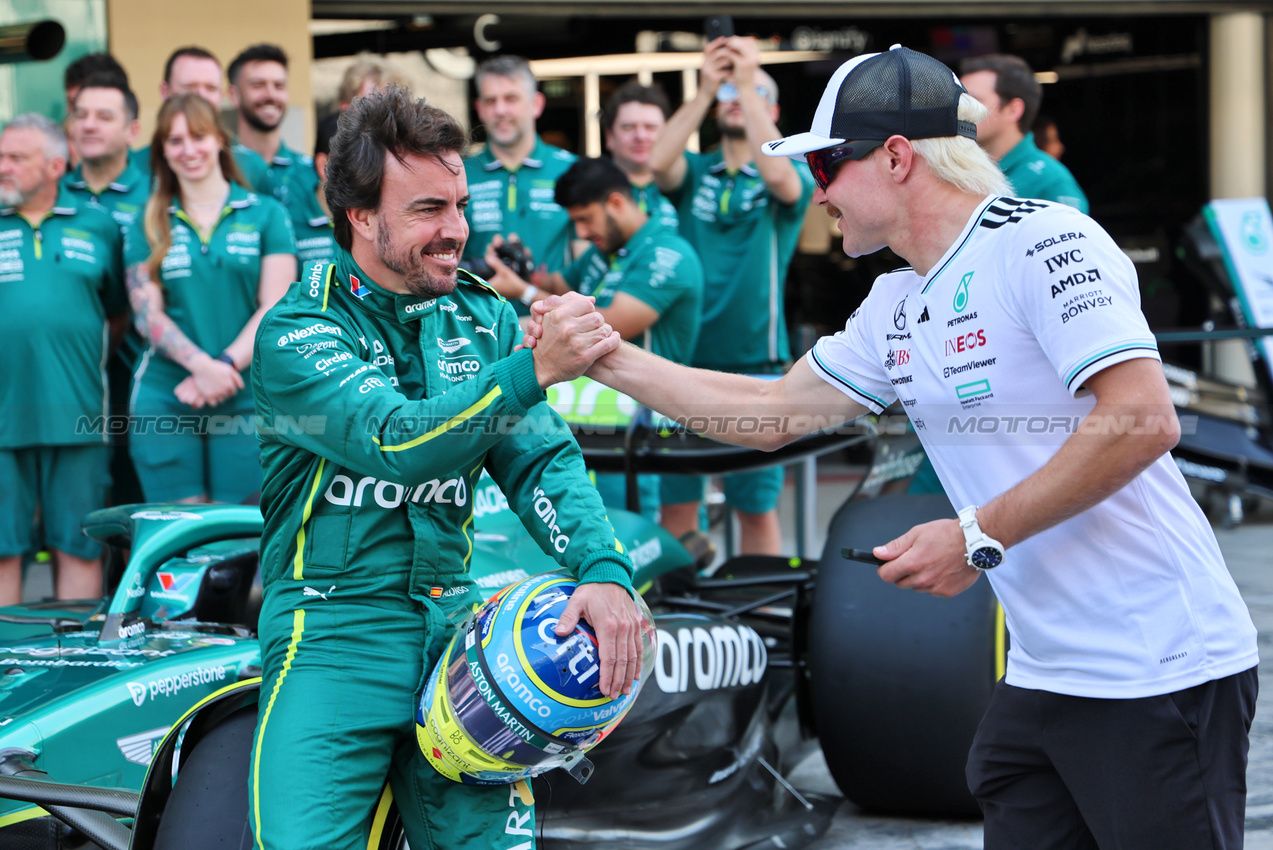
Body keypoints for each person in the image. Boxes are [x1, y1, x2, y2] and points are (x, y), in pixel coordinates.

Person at [533, 45, 1258, 849]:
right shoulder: (895, 297)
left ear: (897, 156)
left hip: (1158, 670)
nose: (817, 194)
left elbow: (1143, 419)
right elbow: (771, 413)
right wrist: (609, 355)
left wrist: (975, 536)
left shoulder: (1043, 240)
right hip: (1042, 675)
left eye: (826, 168)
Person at [248, 85, 643, 850]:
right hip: (330, 633)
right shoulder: (298, 329)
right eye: (428, 210)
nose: (455, 231)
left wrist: (601, 568)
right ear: (361, 217)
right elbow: (398, 442)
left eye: (459, 206)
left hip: (458, 644)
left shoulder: (481, 312)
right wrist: (533, 370)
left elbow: (540, 463)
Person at [649, 34, 815, 555]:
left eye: (749, 97)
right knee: (676, 505)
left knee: (755, 507)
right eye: (729, 99)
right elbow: (657, 164)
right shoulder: (696, 171)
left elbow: (782, 181)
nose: (735, 104)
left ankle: (759, 624)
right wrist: (703, 92)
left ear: (773, 109)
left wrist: (745, 82)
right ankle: (677, 621)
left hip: (757, 365)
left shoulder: (789, 172)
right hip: (684, 364)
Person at [484, 156, 703, 518]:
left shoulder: (669, 254)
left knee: (635, 536)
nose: (582, 233)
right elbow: (554, 285)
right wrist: (517, 265)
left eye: (585, 219)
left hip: (643, 423)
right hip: (595, 420)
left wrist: (522, 293)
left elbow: (606, 325)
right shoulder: (604, 252)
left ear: (616, 202)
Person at [124, 94, 296, 504]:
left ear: (219, 139)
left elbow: (274, 307)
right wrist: (200, 367)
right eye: (175, 141)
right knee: (181, 540)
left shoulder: (266, 214)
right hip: (168, 393)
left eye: (198, 137)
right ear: (162, 151)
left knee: (238, 540)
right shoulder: (147, 220)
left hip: (245, 392)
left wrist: (221, 367)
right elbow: (147, 315)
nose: (188, 150)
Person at [0, 114, 124, 605]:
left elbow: (115, 315)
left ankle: (74, 671)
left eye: (15, 158)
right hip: (2, 423)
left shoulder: (99, 225)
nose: (2, 167)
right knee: (2, 552)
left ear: (56, 165)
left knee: (79, 547)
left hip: (77, 419)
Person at [63, 74, 152, 505]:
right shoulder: (51, 193)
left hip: (141, 372)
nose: (89, 125)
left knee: (136, 500)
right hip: (71, 376)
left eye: (104, 116)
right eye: (81, 115)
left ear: (132, 130)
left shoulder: (156, 196)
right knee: (82, 511)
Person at [462, 55, 577, 311]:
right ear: (479, 108)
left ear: (536, 104)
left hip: (551, 326)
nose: (500, 110)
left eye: (511, 99)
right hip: (476, 329)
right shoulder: (458, 172)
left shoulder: (572, 170)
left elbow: (589, 268)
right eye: (491, 101)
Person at [130, 47, 273, 195]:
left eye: (211, 88)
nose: (201, 97)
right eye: (189, 87)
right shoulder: (133, 166)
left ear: (221, 95)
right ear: (165, 92)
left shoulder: (251, 166)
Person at [960, 54, 1087, 212]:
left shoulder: (1050, 182)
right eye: (959, 100)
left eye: (974, 100)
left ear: (1013, 110)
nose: (960, 109)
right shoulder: (953, 172)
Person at [228, 44, 321, 234]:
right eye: (258, 85)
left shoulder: (312, 173)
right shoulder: (219, 170)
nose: (270, 95)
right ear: (234, 95)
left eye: (279, 86)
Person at [602, 80, 679, 230]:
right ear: (609, 137)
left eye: (651, 127)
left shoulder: (689, 186)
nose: (641, 136)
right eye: (628, 127)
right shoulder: (593, 191)